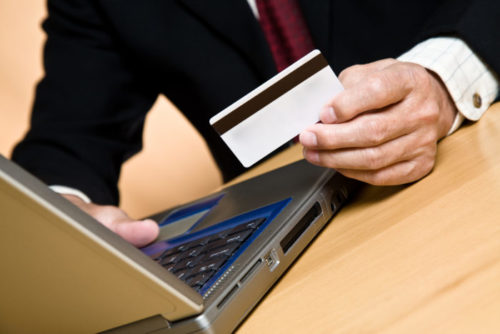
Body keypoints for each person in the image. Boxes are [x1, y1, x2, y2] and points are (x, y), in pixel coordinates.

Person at [12, 0, 499, 247]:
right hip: (306, 251)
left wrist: (445, 77)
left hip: (479, 167)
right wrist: (66, 223)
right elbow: (64, 145)